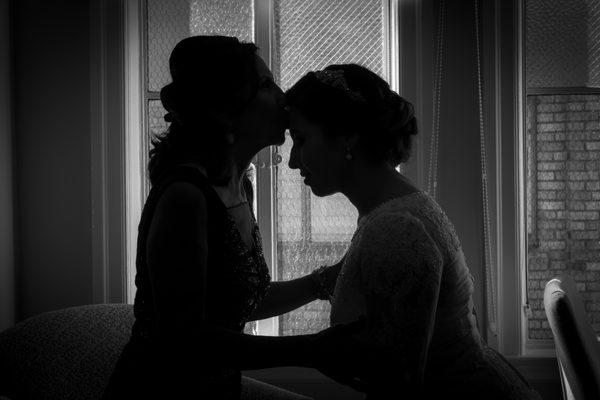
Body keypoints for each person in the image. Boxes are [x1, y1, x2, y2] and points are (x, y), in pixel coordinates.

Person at [102, 36, 364, 400]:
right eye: (267, 86)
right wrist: (312, 350)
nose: (283, 96)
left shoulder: (241, 187)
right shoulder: (186, 198)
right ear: (225, 109)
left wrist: (325, 281)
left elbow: (239, 302)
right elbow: (187, 339)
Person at [284, 64, 543, 399]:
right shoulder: (400, 207)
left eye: (301, 139)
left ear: (346, 135)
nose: (292, 160)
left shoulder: (393, 229)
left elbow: (398, 386)